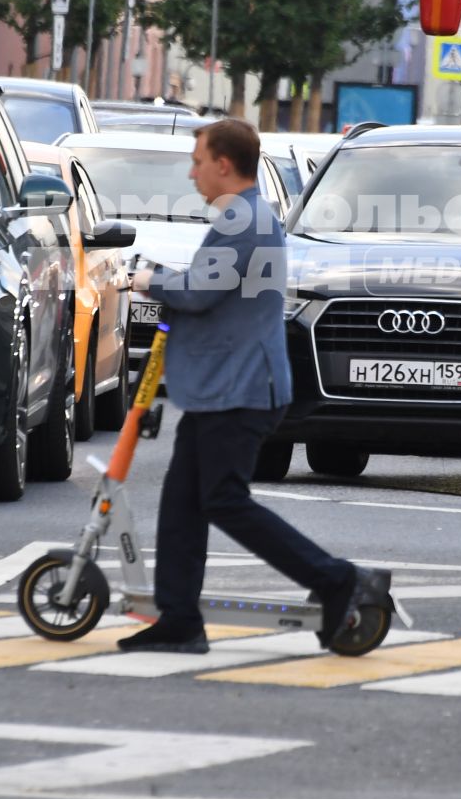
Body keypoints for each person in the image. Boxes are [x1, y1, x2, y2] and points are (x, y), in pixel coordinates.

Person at [122, 119, 390, 655]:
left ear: (224, 164)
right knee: (182, 506)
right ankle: (179, 619)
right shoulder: (242, 216)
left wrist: (150, 280)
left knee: (222, 500)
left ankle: (338, 580)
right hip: (223, 389)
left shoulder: (242, 218)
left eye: (198, 160)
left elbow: (200, 292)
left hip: (241, 389)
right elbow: (215, 285)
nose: (192, 171)